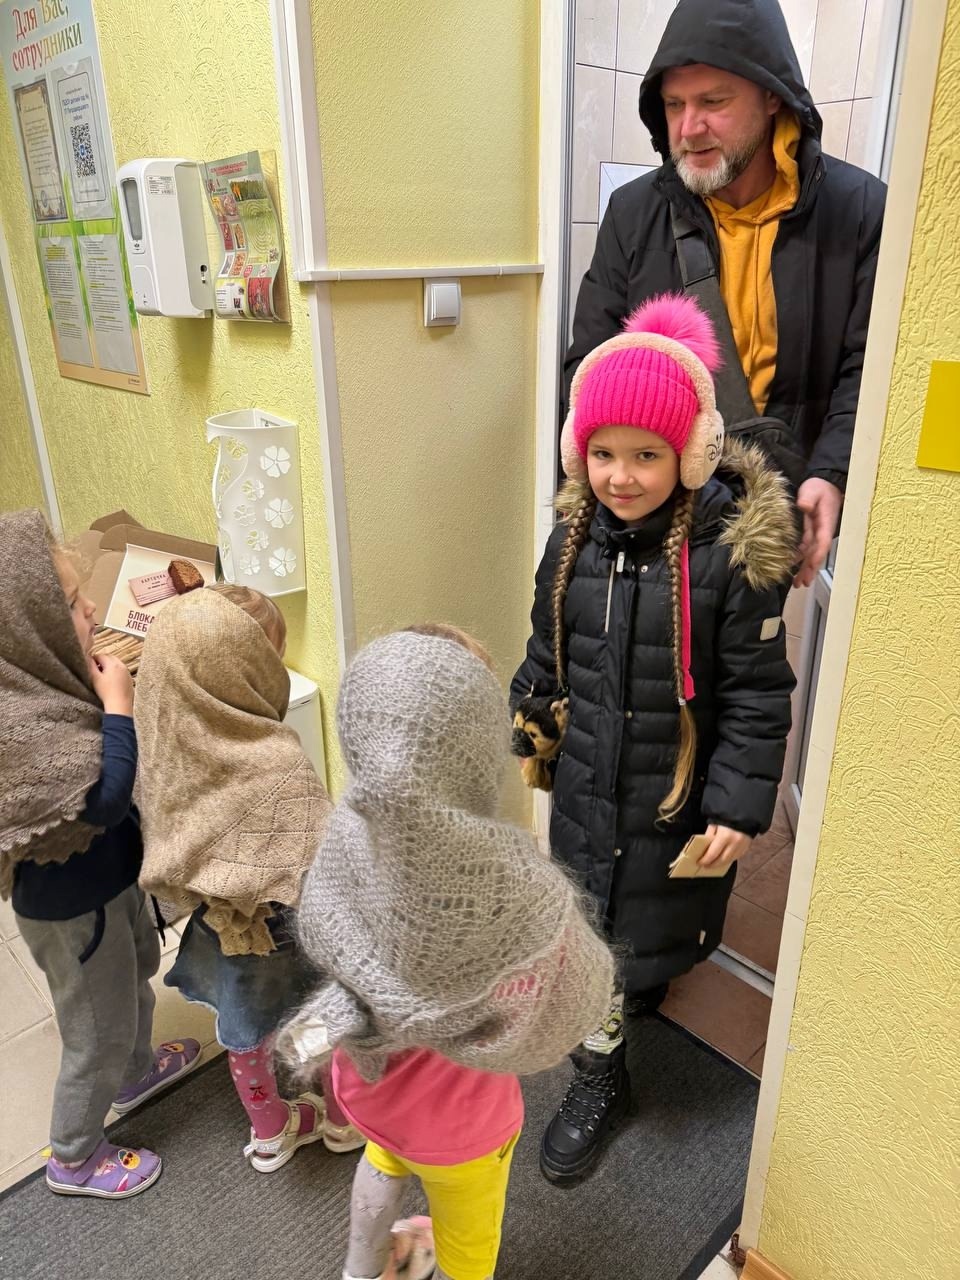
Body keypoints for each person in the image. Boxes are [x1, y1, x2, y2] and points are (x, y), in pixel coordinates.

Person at [512, 295, 796, 1183]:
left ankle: (629, 1002)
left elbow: (756, 694)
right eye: (604, 454)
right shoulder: (572, 542)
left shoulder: (727, 559)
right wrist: (530, 713)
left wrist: (738, 804)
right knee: (592, 934)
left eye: (646, 455)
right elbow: (547, 643)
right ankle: (601, 1072)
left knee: (642, 923)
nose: (622, 477)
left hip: (670, 796)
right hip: (587, 781)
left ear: (691, 453)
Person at [283, 626, 615, 1280]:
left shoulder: (346, 833)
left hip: (368, 1092)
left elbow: (337, 949)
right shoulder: (515, 889)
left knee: (382, 1162)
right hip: (461, 1124)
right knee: (469, 1241)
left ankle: (358, 1270)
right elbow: (578, 993)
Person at [566, 0, 886, 589]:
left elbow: (867, 365)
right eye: (674, 105)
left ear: (772, 97)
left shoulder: (862, 209)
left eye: (713, 102)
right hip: (652, 509)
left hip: (774, 510)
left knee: (750, 651)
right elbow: (590, 362)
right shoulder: (634, 212)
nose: (689, 128)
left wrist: (833, 472)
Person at [0, 509, 199, 1198]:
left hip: (111, 882)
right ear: (23, 629)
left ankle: (134, 1073)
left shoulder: (45, 678)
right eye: (70, 603)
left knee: (138, 966)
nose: (89, 609)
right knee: (95, 1030)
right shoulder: (14, 724)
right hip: (70, 911)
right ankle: (73, 1156)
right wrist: (119, 707)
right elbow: (103, 801)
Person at [134, 584, 362, 1171]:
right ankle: (342, 1121)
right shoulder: (277, 761)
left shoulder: (167, 760)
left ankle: (270, 1132)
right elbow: (322, 864)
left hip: (223, 930)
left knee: (245, 1032)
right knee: (322, 1017)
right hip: (294, 929)